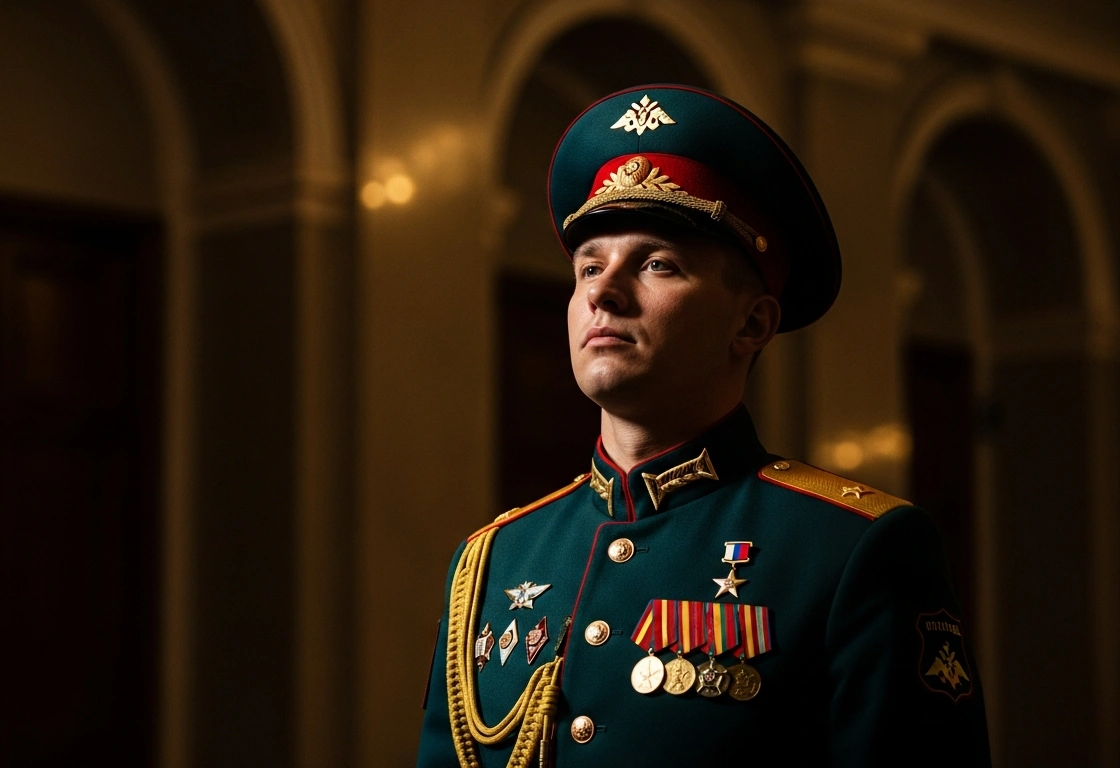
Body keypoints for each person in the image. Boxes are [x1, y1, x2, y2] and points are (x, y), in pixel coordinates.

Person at [416, 85, 990, 767]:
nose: (602, 291)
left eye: (657, 263)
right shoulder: (493, 561)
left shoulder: (852, 550)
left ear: (751, 324)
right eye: (589, 266)